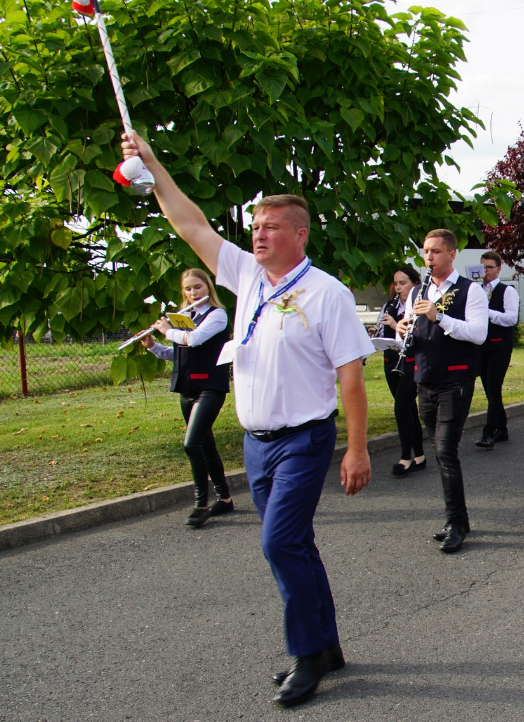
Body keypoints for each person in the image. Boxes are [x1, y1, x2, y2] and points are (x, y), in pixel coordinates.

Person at [121, 132, 374, 707]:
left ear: (299, 235)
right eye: (255, 226)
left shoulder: (326, 293)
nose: (257, 234)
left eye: (271, 227)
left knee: (279, 544)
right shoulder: (248, 277)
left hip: (305, 439)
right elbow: (190, 224)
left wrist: (357, 450)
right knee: (297, 544)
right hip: (256, 443)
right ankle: (327, 645)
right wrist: (152, 163)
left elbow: (352, 377)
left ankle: (305, 657)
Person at [396, 229, 489, 554]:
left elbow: (478, 334)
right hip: (425, 377)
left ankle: (458, 523)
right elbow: (412, 330)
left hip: (456, 380)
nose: (429, 258)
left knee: (446, 449)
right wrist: (403, 329)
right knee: (438, 450)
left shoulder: (471, 290)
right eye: (425, 252)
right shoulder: (417, 291)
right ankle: (455, 519)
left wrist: (439, 317)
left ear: (451, 254)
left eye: (435, 252)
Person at [143, 268, 233, 528]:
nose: (193, 293)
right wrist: (153, 347)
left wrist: (167, 329)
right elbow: (181, 353)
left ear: (208, 288)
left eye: (198, 287)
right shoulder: (186, 316)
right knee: (206, 446)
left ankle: (201, 504)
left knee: (191, 445)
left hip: (210, 387)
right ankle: (225, 499)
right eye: (188, 289)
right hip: (187, 387)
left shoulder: (217, 315)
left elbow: (193, 340)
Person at [375, 268, 427, 476]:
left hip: (411, 362)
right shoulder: (389, 305)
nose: (398, 288)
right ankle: (420, 455)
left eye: (403, 283)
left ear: (415, 284)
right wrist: (378, 332)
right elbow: (384, 331)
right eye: (396, 283)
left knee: (401, 407)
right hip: (391, 360)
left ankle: (406, 457)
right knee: (408, 409)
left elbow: (418, 333)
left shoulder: (419, 306)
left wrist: (396, 325)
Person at [475, 251, 518, 449]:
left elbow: (511, 319)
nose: (486, 271)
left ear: (499, 269)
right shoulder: (476, 289)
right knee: (489, 390)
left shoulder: (506, 291)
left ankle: (489, 431)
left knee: (493, 388)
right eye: (483, 267)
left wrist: (487, 311)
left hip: (500, 345)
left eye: (489, 267)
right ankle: (502, 428)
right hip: (481, 345)